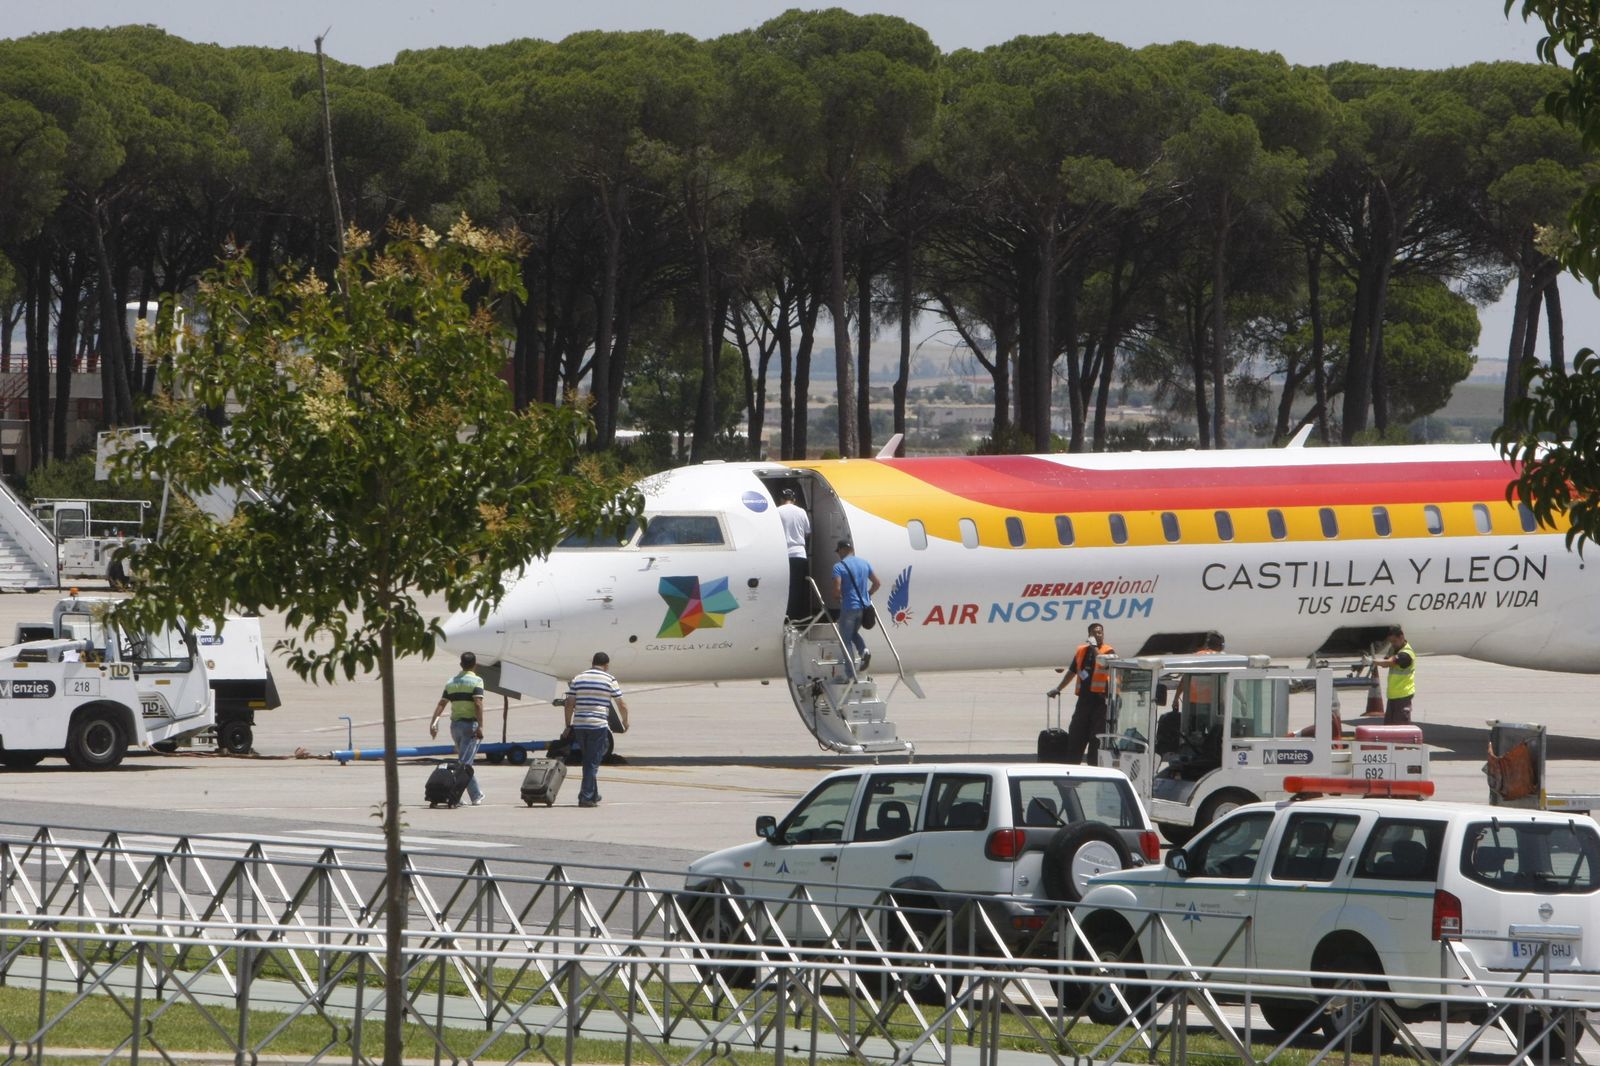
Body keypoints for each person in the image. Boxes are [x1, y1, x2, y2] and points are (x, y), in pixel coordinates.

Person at [564, 651, 629, 808]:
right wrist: (625, 722)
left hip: (580, 724)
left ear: (592, 663)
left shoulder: (578, 678)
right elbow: (621, 704)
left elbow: (569, 704)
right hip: (597, 725)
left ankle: (593, 794)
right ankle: (585, 797)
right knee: (592, 761)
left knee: (588, 758)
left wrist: (568, 725)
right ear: (606, 665)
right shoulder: (609, 679)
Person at [1048, 622, 1115, 764]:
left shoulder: (1108, 651)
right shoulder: (1081, 651)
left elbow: (1102, 662)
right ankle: (1072, 768)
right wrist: (1058, 688)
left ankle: (1093, 768)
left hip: (1101, 703)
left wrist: (1094, 647)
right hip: (1084, 701)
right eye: (1095, 632)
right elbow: (1072, 672)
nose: (1099, 634)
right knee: (1076, 735)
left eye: (1100, 632)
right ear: (1089, 635)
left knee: (1096, 739)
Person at [428, 651, 486, 806]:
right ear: (475, 665)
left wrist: (434, 722)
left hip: (455, 727)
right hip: (470, 726)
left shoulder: (451, 682)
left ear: (461, 664)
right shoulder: (477, 681)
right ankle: (462, 795)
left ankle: (473, 795)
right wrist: (480, 726)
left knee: (463, 762)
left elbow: (442, 703)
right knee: (465, 764)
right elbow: (478, 704)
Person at [831, 539, 880, 678]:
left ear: (842, 550)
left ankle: (850, 674)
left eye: (838, 551)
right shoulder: (864, 563)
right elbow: (877, 583)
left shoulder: (839, 567)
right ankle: (864, 651)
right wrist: (868, 595)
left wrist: (837, 598)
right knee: (852, 633)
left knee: (844, 640)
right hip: (864, 607)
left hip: (849, 607)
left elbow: (837, 590)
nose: (838, 554)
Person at [777, 486, 812, 621]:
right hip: (799, 553)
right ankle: (797, 616)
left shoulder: (777, 511)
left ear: (781, 499)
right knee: (798, 588)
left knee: (784, 587)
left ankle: (785, 615)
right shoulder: (801, 511)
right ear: (794, 499)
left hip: (783, 554)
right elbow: (808, 532)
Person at [1377, 625, 1417, 725]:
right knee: (1389, 728)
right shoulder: (1395, 649)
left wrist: (1372, 661)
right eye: (1391, 642)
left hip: (1403, 695)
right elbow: (1385, 662)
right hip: (1393, 696)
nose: (1392, 644)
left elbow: (1388, 662)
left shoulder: (1406, 654)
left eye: (1394, 641)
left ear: (1402, 637)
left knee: (1401, 727)